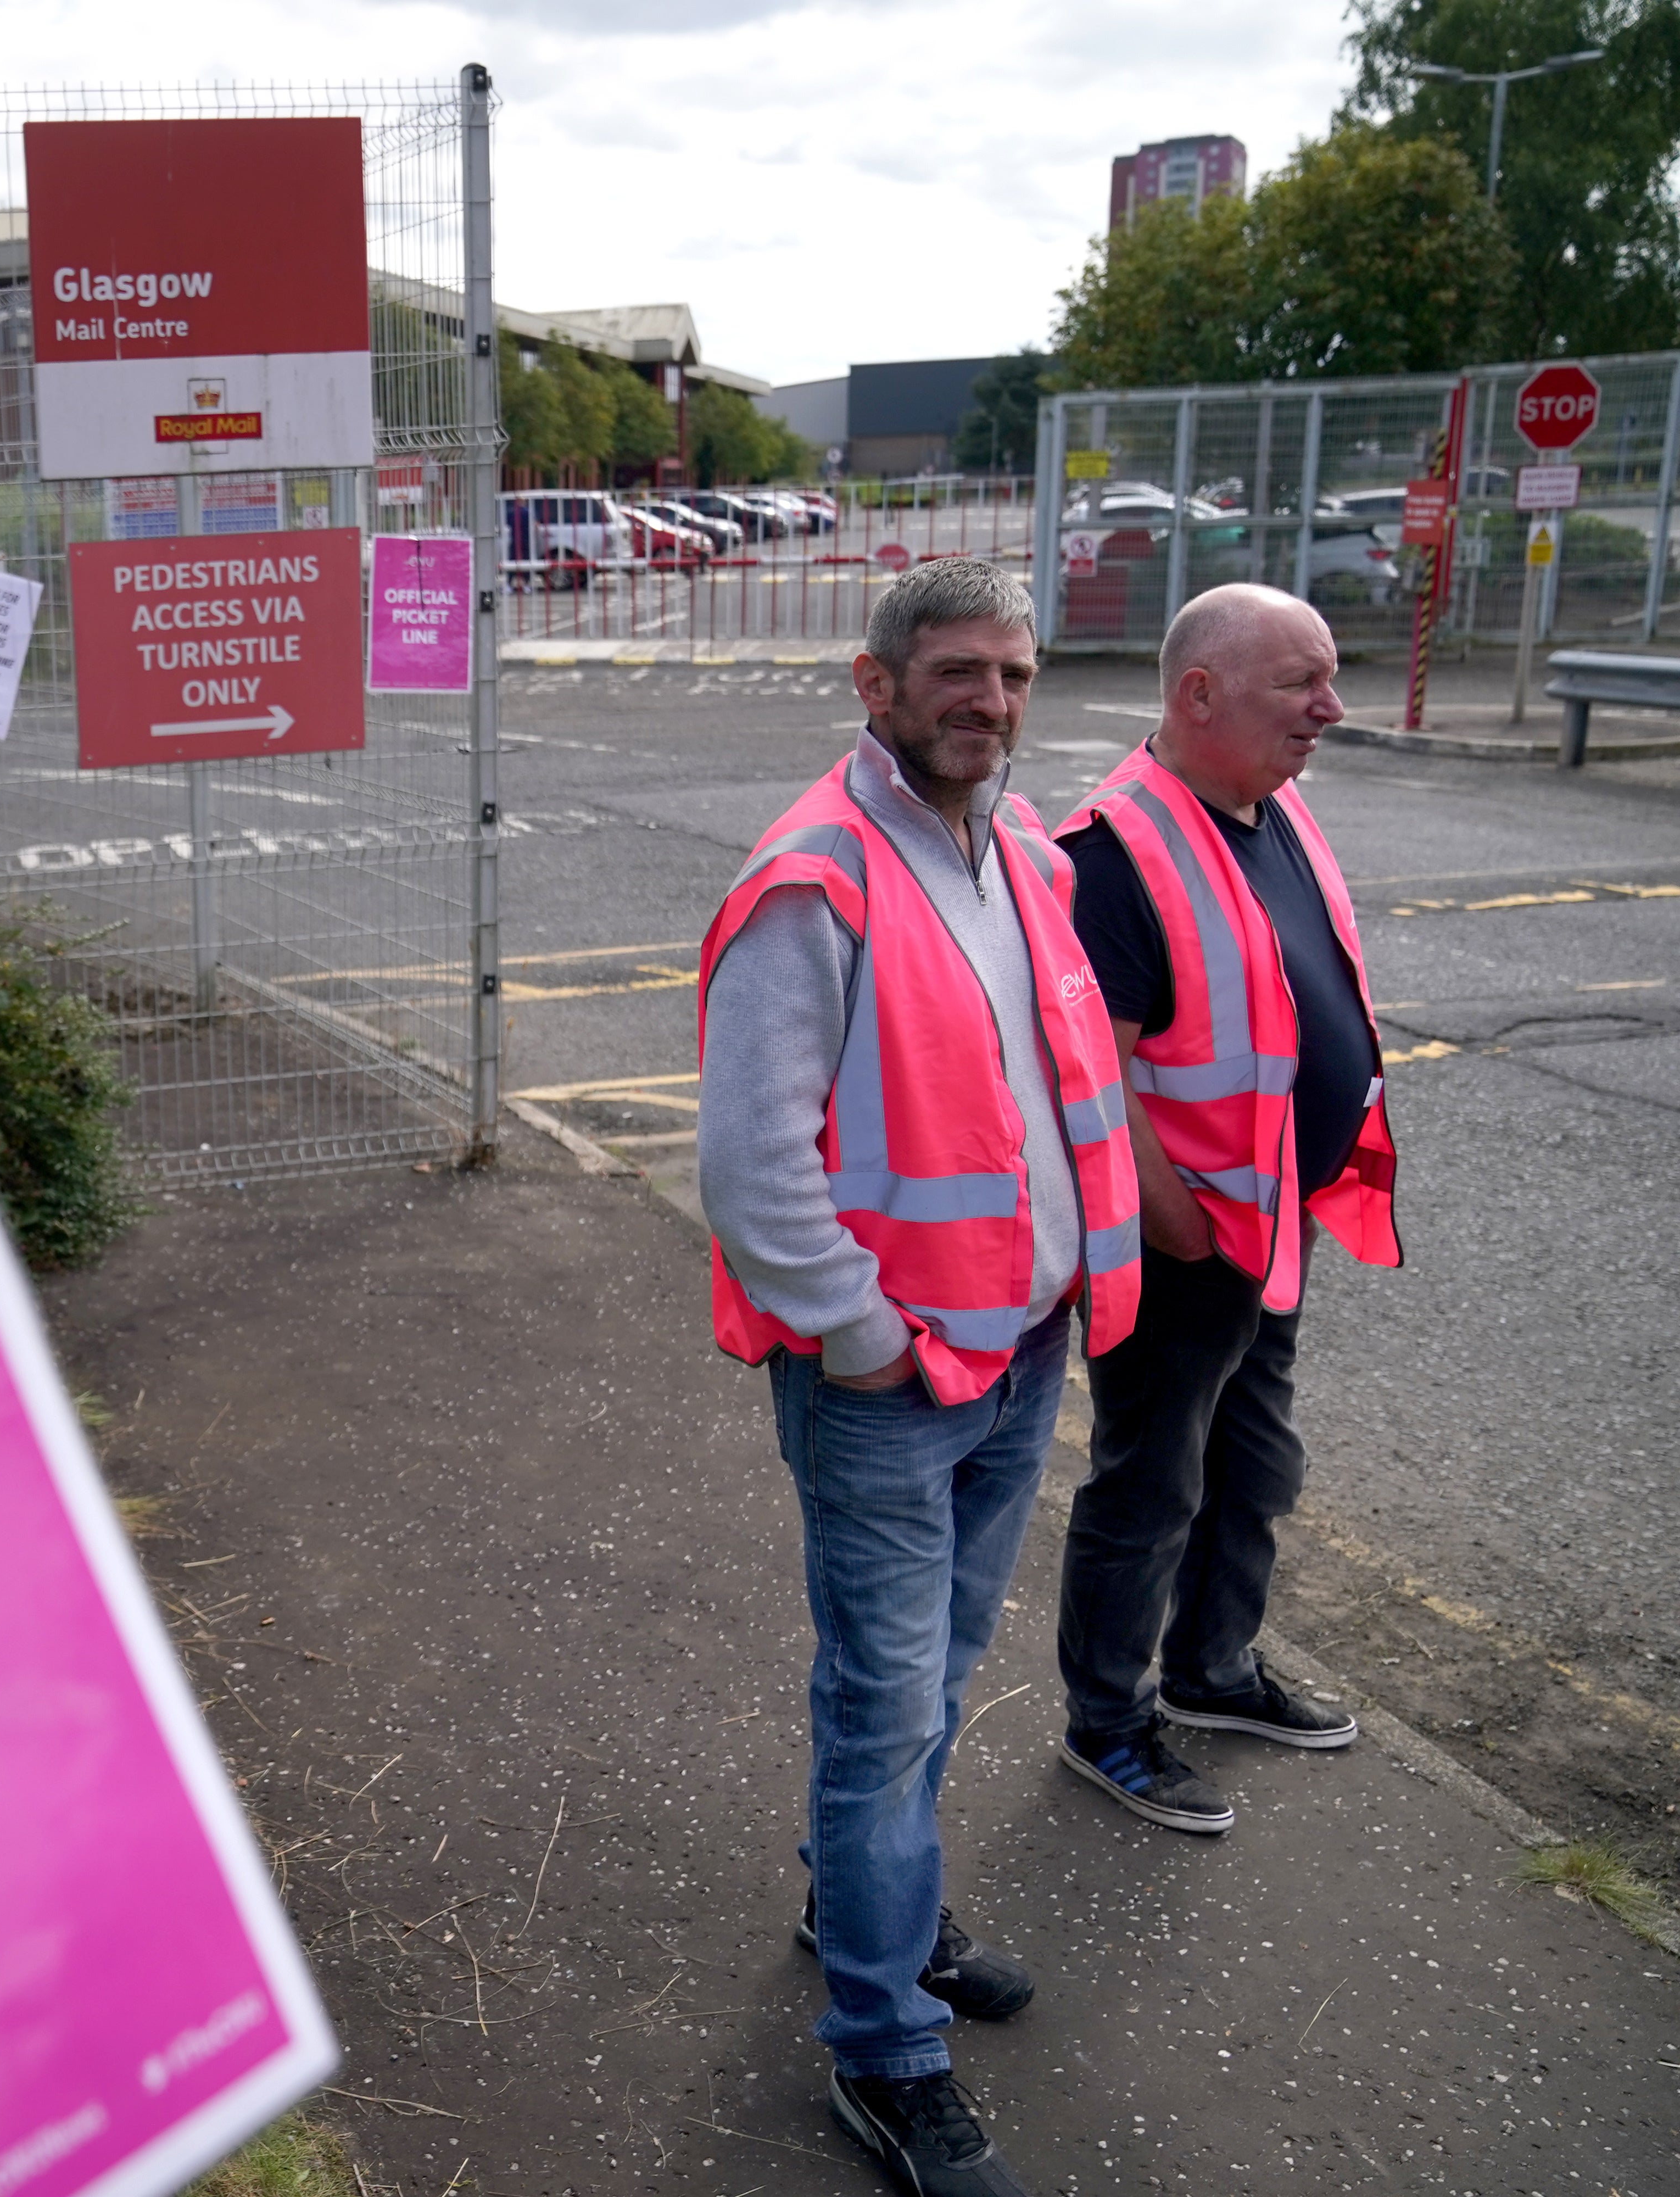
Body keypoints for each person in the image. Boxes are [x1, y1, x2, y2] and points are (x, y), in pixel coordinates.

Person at [697, 557, 1141, 2197]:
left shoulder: (1016, 845)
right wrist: (872, 1340)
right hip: (895, 1381)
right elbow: (754, 1172)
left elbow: (1042, 1089)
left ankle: (858, 1906)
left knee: (940, 1678)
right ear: (876, 687)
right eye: (958, 673)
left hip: (1018, 1356)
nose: (994, 702)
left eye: (1015, 675)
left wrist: (1071, 1291)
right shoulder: (815, 878)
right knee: (886, 1713)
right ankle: (886, 2056)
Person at [1052, 583, 1398, 1832]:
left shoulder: (1275, 805)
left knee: (1254, 1463)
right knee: (1151, 1484)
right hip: (1187, 1241)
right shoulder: (1114, 852)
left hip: (1268, 1226)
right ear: (1198, 694)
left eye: (1331, 675)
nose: (1330, 707)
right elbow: (1089, 1070)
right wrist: (1178, 1223)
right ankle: (1108, 1721)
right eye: (1299, 682)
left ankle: (1214, 1672)